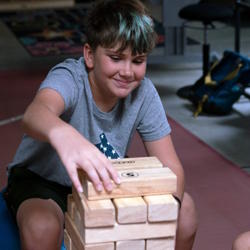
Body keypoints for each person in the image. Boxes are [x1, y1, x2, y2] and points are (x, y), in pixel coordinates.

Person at [4, 0, 197, 249]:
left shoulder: (144, 92)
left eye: (138, 61)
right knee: (42, 226)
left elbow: (172, 167)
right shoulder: (70, 77)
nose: (127, 71)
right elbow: (35, 114)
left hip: (103, 179)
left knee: (186, 212)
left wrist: (161, 216)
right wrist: (64, 135)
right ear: (89, 55)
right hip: (42, 182)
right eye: (116, 58)